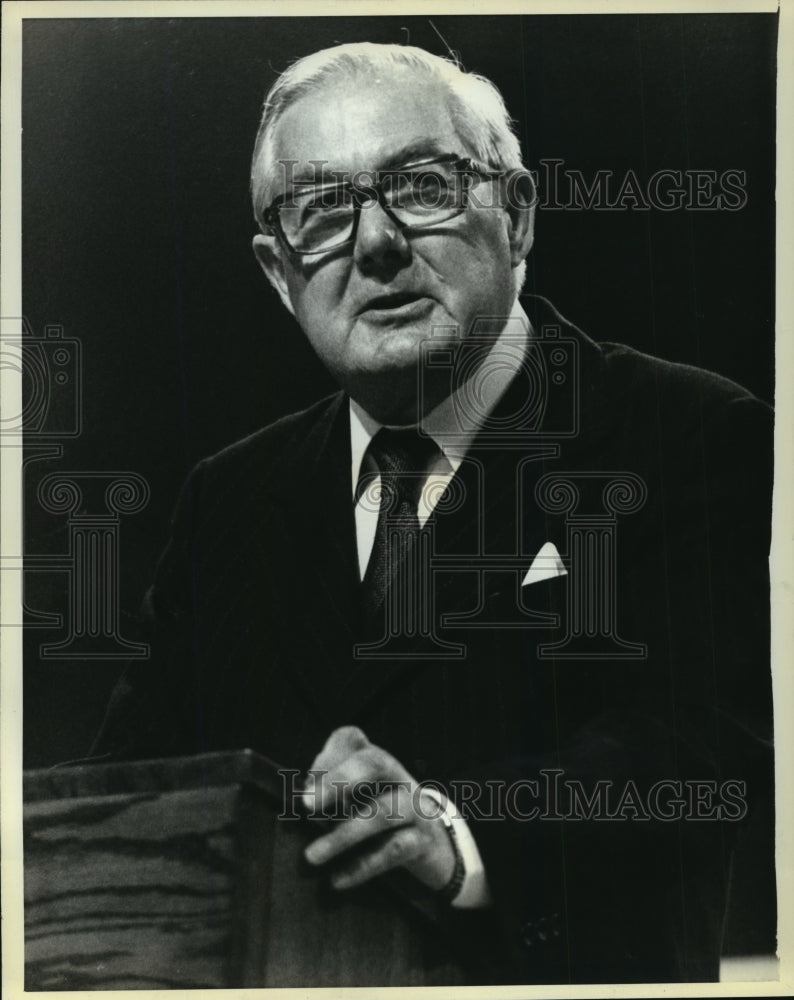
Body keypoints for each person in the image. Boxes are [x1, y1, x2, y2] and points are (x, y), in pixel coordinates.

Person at [93, 42, 774, 984]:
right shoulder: (227, 500)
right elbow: (128, 806)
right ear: (277, 272)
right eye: (322, 208)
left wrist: (455, 832)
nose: (375, 243)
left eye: (421, 184)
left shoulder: (693, 433)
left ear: (519, 212)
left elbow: (698, 758)